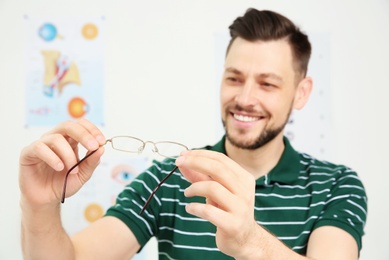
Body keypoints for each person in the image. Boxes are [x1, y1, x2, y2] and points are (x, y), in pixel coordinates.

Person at [19, 8, 367, 260]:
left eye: (267, 84)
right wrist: (39, 206)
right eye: (234, 78)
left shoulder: (336, 186)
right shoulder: (169, 178)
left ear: (301, 93)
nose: (244, 98)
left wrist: (250, 241)